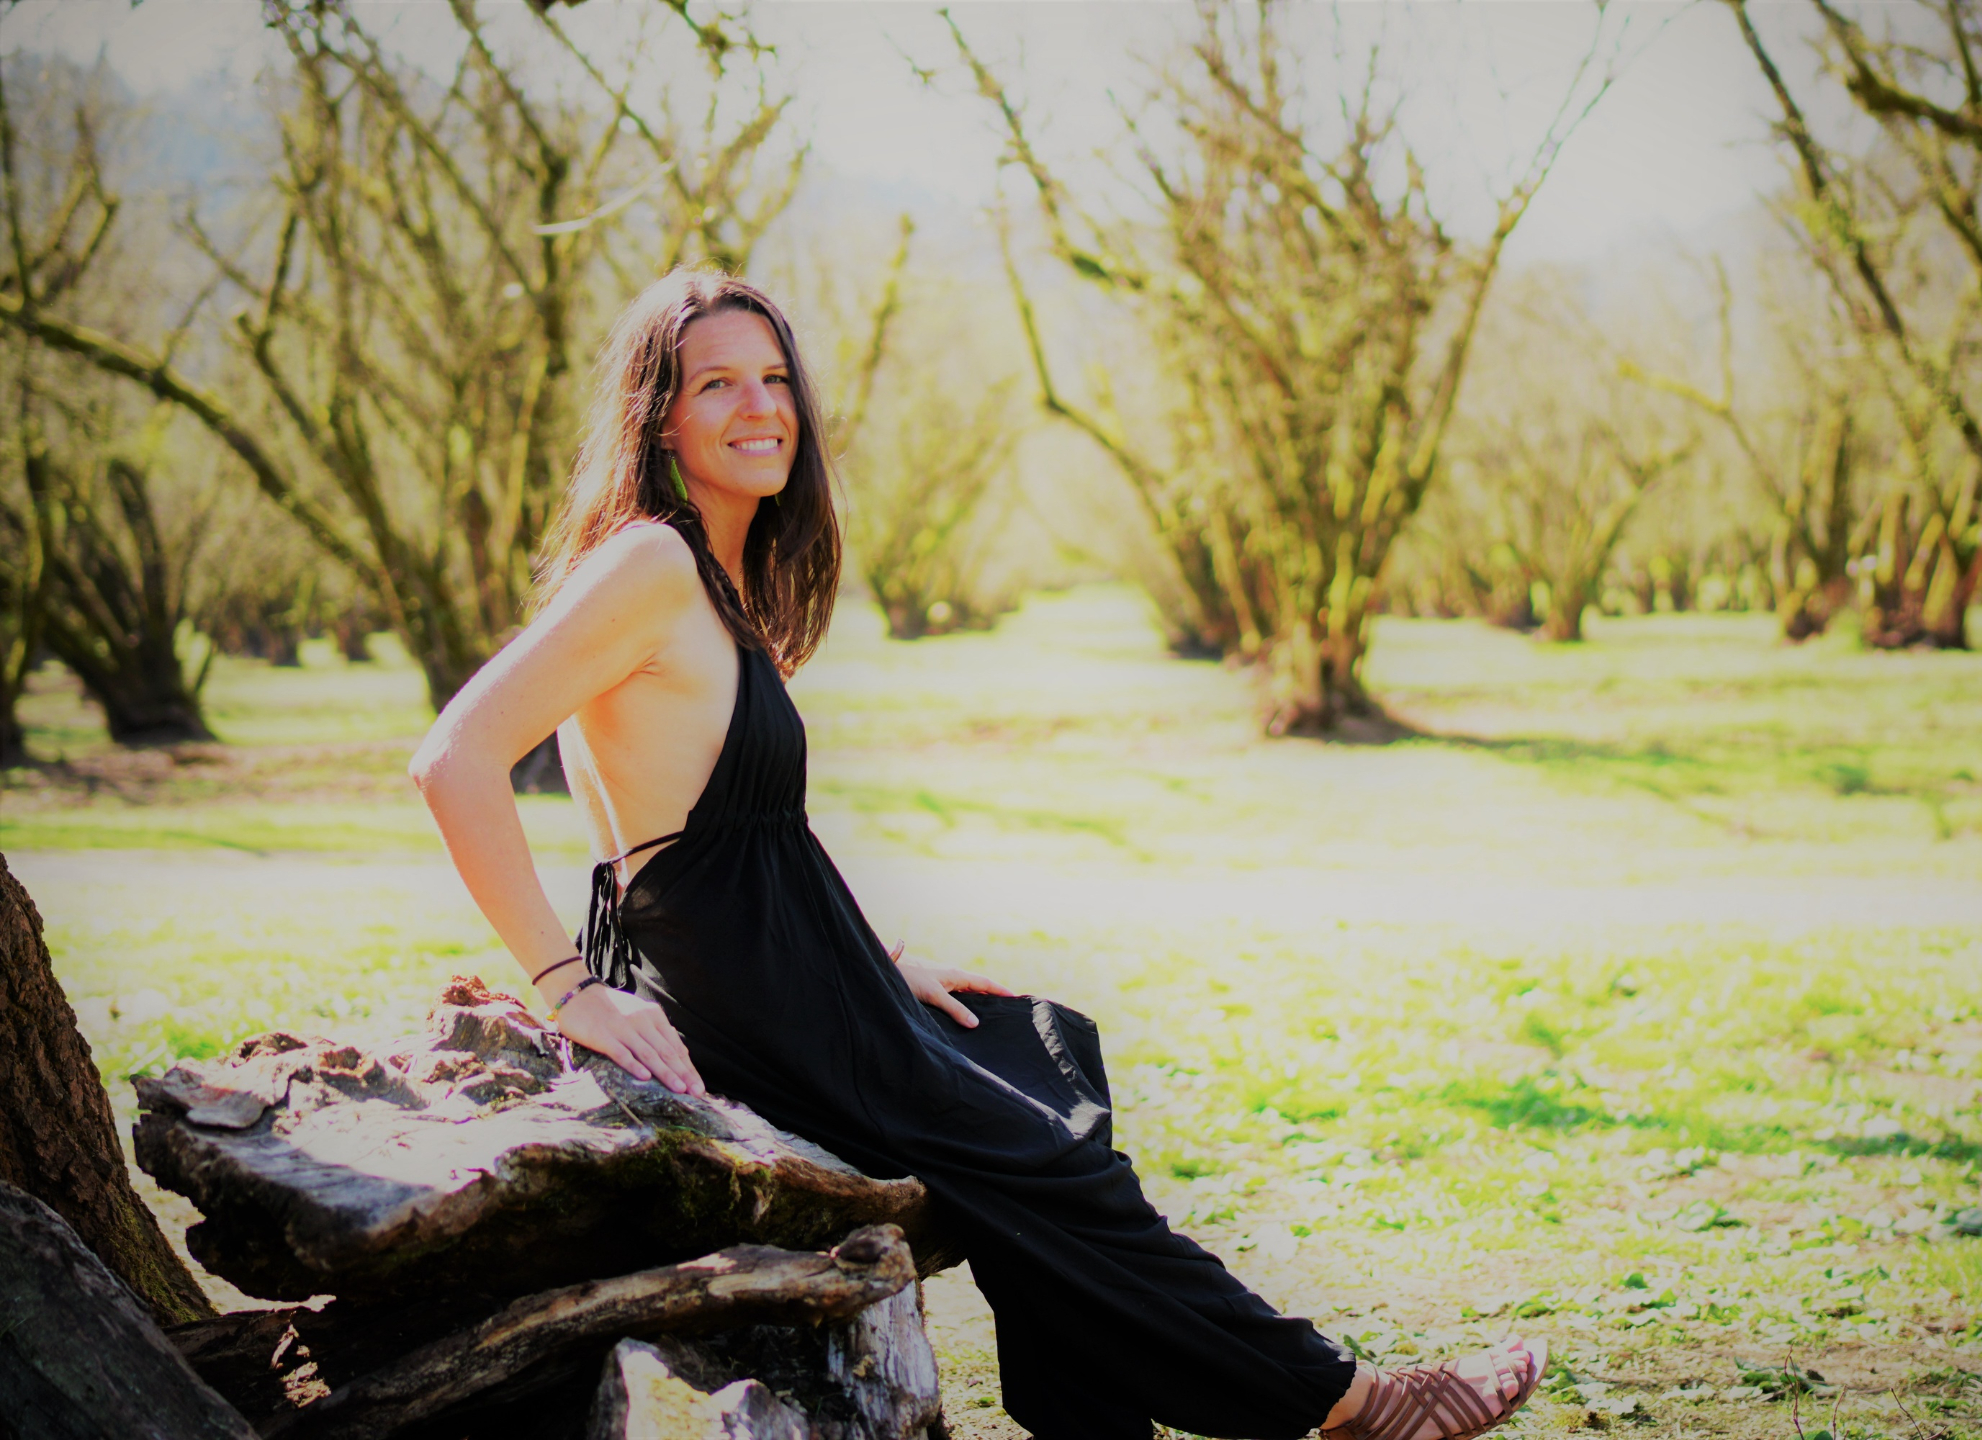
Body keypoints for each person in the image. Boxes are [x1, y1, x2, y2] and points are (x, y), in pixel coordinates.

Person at [409, 268, 1547, 1440]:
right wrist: (569, 989)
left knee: (1051, 1052)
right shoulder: (648, 563)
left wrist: (881, 962)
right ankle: (1351, 1401)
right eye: (718, 386)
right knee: (1047, 1159)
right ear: (659, 419)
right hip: (748, 1001)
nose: (760, 407)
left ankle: (1098, 1425)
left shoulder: (717, 574)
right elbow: (455, 760)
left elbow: (762, 831)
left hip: (797, 974)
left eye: (775, 378)